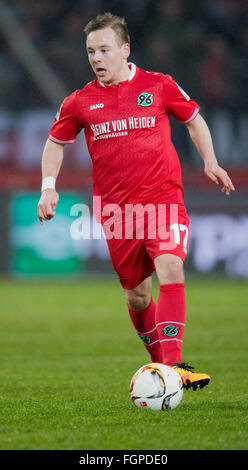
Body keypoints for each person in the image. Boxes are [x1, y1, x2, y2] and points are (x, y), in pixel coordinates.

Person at [37, 12, 235, 390]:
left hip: (163, 200)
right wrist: (49, 186)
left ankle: (173, 368)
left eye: (104, 50)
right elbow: (55, 143)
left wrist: (210, 161)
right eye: (91, 51)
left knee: (171, 269)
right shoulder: (80, 101)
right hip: (117, 212)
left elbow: (194, 119)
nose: (97, 58)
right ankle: (161, 365)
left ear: (124, 50)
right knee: (138, 294)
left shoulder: (158, 85)